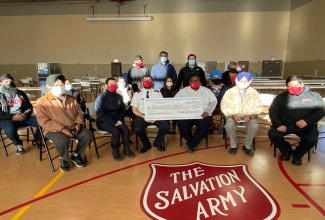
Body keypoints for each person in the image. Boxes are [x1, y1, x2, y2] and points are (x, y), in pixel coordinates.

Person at [36, 74, 92, 172]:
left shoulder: (71, 99)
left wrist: (78, 123)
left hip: (72, 126)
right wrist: (63, 129)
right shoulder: (42, 102)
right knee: (63, 140)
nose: (60, 87)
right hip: (53, 130)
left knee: (87, 134)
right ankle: (64, 158)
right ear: (49, 87)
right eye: (56, 85)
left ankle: (77, 155)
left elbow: (79, 112)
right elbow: (44, 121)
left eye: (61, 84)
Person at [268, 75, 325, 166]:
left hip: (307, 126)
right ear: (286, 87)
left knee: (311, 139)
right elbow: (273, 111)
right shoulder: (281, 97)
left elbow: (321, 110)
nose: (292, 88)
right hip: (286, 125)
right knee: (273, 134)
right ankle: (287, 151)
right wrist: (278, 124)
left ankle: (297, 155)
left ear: (302, 84)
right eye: (289, 86)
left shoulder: (314, 96)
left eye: (295, 86)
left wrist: (307, 121)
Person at [221, 72, 263, 156]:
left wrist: (250, 116)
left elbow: (258, 107)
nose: (243, 83)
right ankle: (233, 145)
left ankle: (246, 146)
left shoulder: (254, 93)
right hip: (233, 115)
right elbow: (224, 106)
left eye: (246, 81)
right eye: (241, 81)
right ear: (237, 80)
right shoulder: (229, 92)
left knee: (255, 126)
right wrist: (233, 115)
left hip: (249, 116)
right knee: (229, 125)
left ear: (250, 81)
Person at [175, 73, 217, 153]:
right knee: (182, 125)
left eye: (197, 80)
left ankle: (191, 144)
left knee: (205, 125)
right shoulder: (183, 91)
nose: (195, 81)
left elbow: (213, 101)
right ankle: (192, 142)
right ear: (189, 82)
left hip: (203, 114)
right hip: (187, 115)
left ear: (200, 81)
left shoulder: (206, 90)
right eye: (192, 80)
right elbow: (176, 101)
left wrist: (207, 111)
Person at [0, 73, 41, 155]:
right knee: (10, 130)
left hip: (23, 116)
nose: (9, 83)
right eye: (6, 81)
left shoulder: (20, 93)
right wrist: (12, 117)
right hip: (7, 118)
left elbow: (29, 106)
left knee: (43, 122)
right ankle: (18, 144)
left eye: (10, 81)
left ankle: (36, 140)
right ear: (0, 83)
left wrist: (25, 114)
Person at [96, 78, 135, 161]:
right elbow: (100, 114)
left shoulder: (119, 96)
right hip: (104, 122)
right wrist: (113, 122)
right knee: (116, 131)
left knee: (125, 129)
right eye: (111, 84)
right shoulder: (101, 97)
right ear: (106, 86)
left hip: (118, 120)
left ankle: (127, 148)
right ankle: (115, 150)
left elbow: (123, 110)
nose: (113, 86)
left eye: (115, 84)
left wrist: (120, 120)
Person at [130, 74, 169, 153]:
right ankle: (146, 144)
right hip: (142, 116)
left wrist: (155, 116)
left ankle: (157, 142)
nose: (147, 82)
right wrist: (144, 116)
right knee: (138, 129)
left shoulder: (157, 93)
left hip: (156, 116)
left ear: (152, 82)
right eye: (145, 80)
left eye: (149, 80)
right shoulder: (137, 94)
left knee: (165, 126)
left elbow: (161, 107)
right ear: (141, 82)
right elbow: (134, 110)